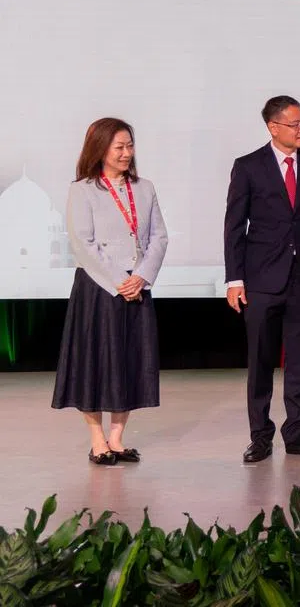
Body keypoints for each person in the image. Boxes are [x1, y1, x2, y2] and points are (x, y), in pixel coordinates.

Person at [224, 95, 300, 463]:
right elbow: (234, 226)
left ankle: (296, 432)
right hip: (261, 278)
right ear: (273, 127)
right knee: (260, 359)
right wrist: (234, 279)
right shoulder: (248, 166)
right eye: (295, 123)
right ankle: (260, 436)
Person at [52, 118, 169, 465]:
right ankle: (97, 440)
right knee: (93, 364)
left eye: (129, 145)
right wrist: (121, 281)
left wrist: (142, 277)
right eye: (118, 147)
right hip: (100, 287)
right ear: (100, 149)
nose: (126, 153)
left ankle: (117, 439)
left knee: (131, 360)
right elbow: (83, 244)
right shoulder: (83, 190)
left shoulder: (144, 188)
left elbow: (159, 237)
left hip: (137, 286)